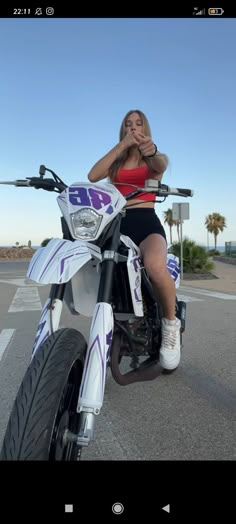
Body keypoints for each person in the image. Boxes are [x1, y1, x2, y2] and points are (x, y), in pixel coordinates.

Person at [87, 109, 181, 371]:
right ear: (123, 129)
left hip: (146, 221)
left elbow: (161, 165)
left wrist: (149, 150)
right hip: (118, 223)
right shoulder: (116, 162)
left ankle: (171, 325)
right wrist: (123, 145)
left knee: (153, 265)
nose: (133, 127)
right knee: (105, 270)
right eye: (128, 124)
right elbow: (93, 176)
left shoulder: (153, 157)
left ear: (146, 128)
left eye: (138, 123)